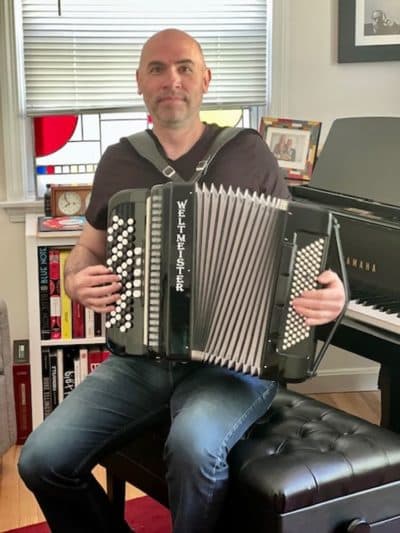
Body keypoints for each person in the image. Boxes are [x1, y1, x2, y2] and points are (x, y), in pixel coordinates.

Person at [18, 29, 346, 533]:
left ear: (206, 79)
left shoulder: (249, 151)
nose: (172, 80)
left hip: (236, 367)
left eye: (185, 67)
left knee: (193, 446)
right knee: (41, 459)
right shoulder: (119, 159)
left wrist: (332, 294)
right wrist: (75, 279)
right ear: (140, 83)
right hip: (140, 361)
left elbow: (303, 247)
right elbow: (86, 250)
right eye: (157, 69)